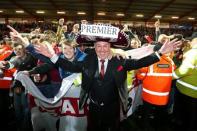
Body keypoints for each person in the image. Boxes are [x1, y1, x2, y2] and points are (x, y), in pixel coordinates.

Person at [33, 23, 181, 131]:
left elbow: (140, 62)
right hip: (93, 107)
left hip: (113, 107)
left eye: (105, 46)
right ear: (94, 47)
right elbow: (70, 66)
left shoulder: (119, 60)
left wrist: (160, 53)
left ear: (110, 47)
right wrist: (52, 56)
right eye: (98, 46)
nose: (102, 49)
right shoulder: (88, 60)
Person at [172, 34, 197, 131]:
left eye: (191, 40)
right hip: (194, 91)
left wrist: (169, 77)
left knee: (186, 116)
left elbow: (183, 70)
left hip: (186, 91)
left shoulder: (193, 52)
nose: (189, 42)